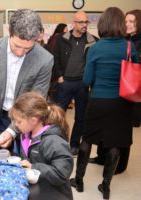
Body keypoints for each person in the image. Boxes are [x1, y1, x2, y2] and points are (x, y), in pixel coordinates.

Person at [70, 7, 138, 200]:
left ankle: (79, 180)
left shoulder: (95, 48)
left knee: (87, 139)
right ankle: (106, 186)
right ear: (120, 24)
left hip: (98, 101)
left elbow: (86, 80)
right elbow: (134, 74)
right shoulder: (128, 47)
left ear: (103, 25)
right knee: (115, 143)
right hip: (122, 103)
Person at [0, 9, 53, 150]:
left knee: (19, 162)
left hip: (25, 119)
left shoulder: (45, 60)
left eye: (27, 49)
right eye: (17, 46)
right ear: (10, 32)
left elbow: (37, 102)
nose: (20, 52)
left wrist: (12, 131)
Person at [89, 9, 141, 174]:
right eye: (126, 21)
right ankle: (102, 157)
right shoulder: (123, 40)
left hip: (130, 89)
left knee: (122, 130)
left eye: (132, 21)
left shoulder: (136, 42)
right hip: (114, 90)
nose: (128, 24)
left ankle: (120, 164)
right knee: (108, 127)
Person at [9, 91, 73, 200]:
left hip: (55, 194)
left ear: (33, 120)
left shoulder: (53, 141)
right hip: (37, 191)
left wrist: (33, 167)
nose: (15, 125)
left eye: (19, 121)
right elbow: (28, 157)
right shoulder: (26, 134)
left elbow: (62, 173)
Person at [53, 11, 98, 156]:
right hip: (65, 83)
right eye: (81, 22)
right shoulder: (62, 39)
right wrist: (59, 76)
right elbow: (56, 58)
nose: (85, 25)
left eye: (86, 22)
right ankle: (58, 143)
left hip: (82, 84)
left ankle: (74, 144)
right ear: (74, 23)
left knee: (81, 117)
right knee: (58, 115)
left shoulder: (93, 41)